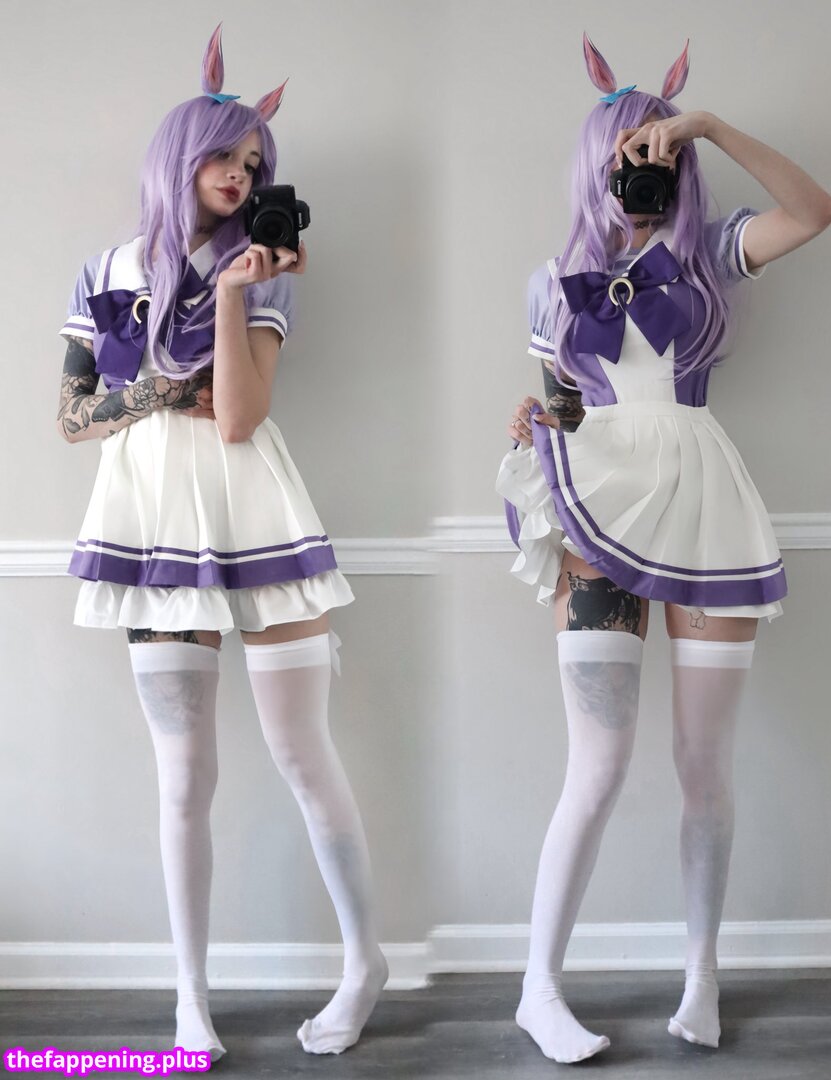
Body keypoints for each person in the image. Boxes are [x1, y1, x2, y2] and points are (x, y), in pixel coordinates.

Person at [496, 33, 831, 1064]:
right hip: (594, 496)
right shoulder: (552, 281)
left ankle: (701, 977)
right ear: (591, 164)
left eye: (659, 153)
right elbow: (562, 400)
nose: (642, 169)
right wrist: (533, 420)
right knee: (595, 765)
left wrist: (709, 128)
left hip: (700, 499)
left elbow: (815, 211)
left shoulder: (713, 253)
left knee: (702, 764)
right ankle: (537, 990)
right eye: (625, 152)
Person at [56, 24, 387, 1060]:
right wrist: (160, 391)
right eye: (224, 156)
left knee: (301, 752)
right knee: (181, 774)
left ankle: (364, 964)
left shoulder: (264, 270)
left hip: (254, 506)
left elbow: (239, 418)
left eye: (253, 161)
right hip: (148, 515)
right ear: (179, 154)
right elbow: (70, 420)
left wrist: (240, 288)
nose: (241, 173)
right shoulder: (103, 269)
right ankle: (188, 998)